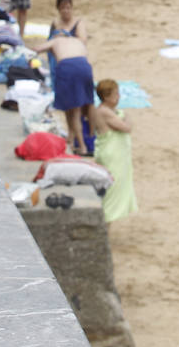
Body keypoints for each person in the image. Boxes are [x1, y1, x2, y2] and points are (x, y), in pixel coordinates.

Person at [29, 26, 95, 156]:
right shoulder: (77, 41)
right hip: (85, 67)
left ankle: (82, 147)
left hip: (67, 68)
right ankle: (73, 139)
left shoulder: (55, 41)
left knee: (72, 110)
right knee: (81, 106)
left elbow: (36, 49)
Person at [91, 79, 137, 221]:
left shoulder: (106, 111)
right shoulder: (104, 111)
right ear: (106, 97)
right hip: (112, 155)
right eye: (115, 94)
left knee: (113, 191)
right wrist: (127, 117)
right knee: (112, 194)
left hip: (114, 153)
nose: (118, 97)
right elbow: (126, 128)